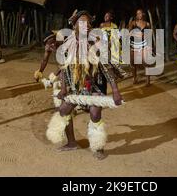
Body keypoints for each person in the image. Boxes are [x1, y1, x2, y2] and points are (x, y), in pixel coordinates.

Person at [46, 10, 123, 160]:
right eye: (82, 22)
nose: (86, 25)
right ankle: (72, 142)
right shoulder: (68, 44)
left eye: (88, 22)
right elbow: (65, 68)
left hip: (95, 86)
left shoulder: (97, 43)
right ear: (74, 25)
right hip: (76, 87)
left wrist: (115, 90)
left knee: (95, 114)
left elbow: (106, 68)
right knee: (63, 111)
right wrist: (63, 88)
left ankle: (98, 147)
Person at [128, 8, 151, 86]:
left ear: (143, 14)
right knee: (132, 62)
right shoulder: (133, 23)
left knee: (146, 62)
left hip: (144, 45)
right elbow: (129, 33)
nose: (139, 15)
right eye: (137, 14)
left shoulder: (147, 24)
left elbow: (149, 35)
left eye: (140, 13)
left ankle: (148, 80)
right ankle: (135, 78)